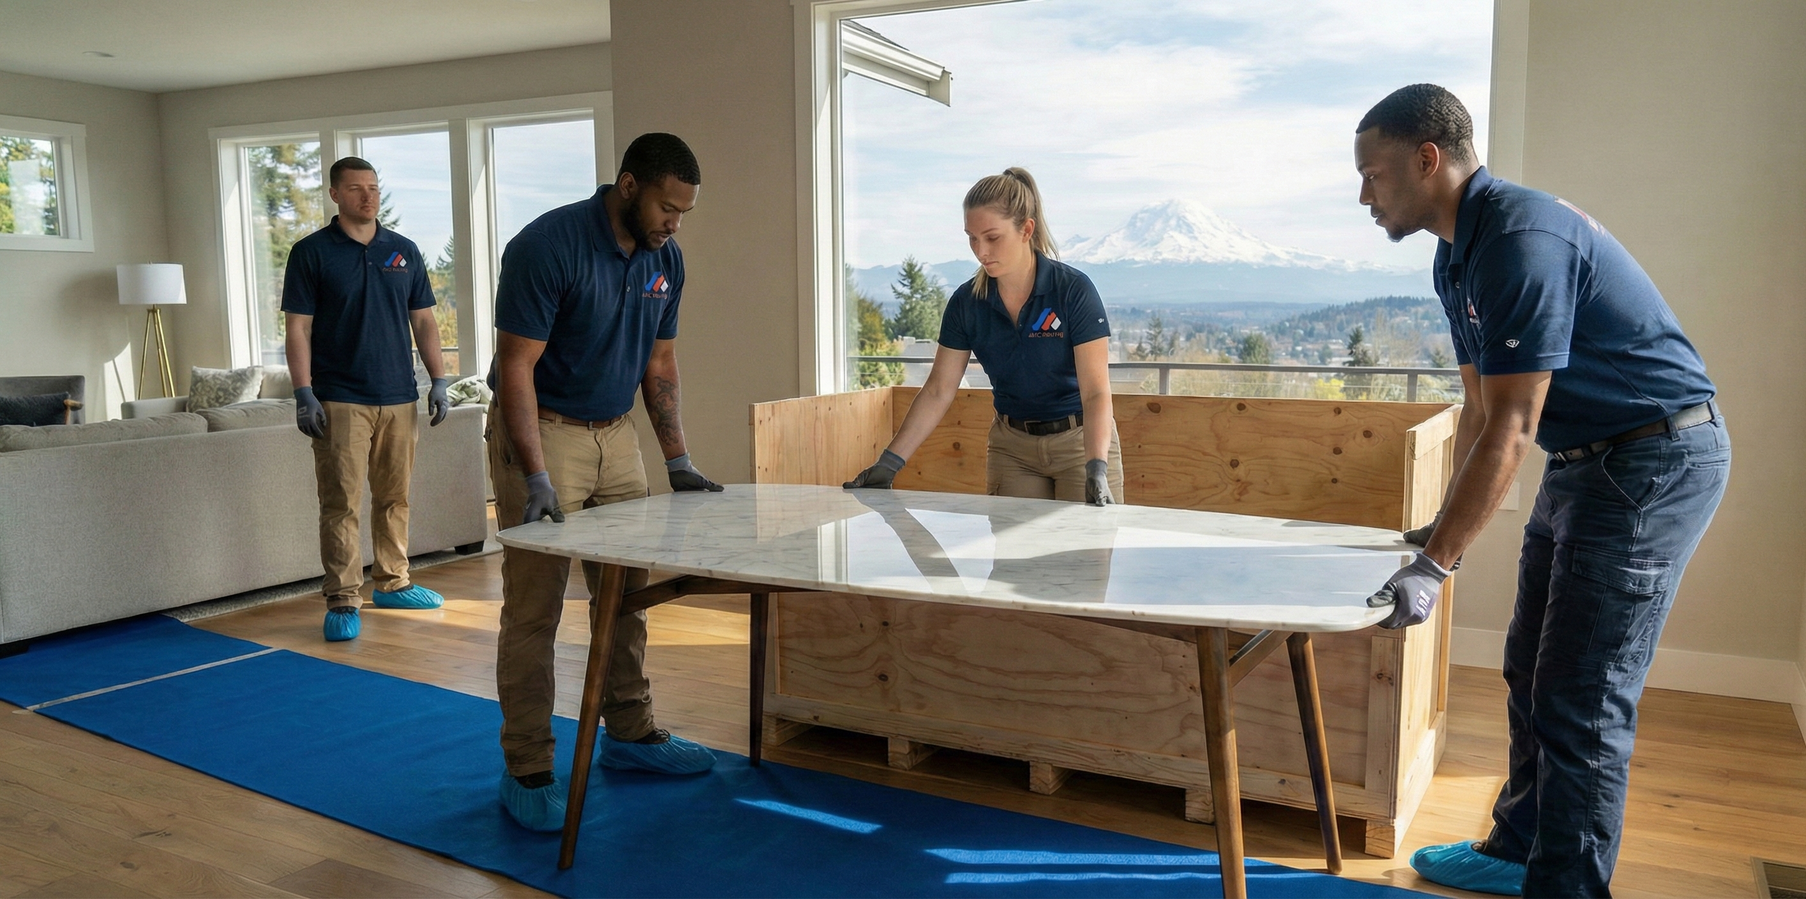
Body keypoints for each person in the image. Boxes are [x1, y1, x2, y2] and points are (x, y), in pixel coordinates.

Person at [1355, 84, 1729, 897]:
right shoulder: (1455, 253)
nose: (1364, 196)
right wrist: (1437, 531)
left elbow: (1513, 426)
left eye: (1374, 175)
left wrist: (1437, 566)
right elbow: (1481, 408)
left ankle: (1567, 887)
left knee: (1582, 696)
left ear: (1428, 160)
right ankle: (1516, 849)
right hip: (1584, 463)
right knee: (1528, 668)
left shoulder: (1519, 237)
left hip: (1655, 460)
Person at [486, 132, 725, 832]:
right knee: (535, 607)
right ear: (628, 186)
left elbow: (660, 362)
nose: (674, 222)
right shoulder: (547, 246)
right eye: (666, 206)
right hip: (545, 429)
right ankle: (527, 765)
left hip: (616, 434)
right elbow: (515, 369)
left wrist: (677, 458)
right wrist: (532, 471)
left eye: (683, 211)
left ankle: (630, 732)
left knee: (626, 595)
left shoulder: (665, 259)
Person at [846, 167, 1122, 505]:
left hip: (1082, 443)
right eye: (972, 238)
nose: (980, 250)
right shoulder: (967, 303)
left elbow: (1096, 393)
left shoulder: (1073, 291)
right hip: (1013, 449)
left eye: (992, 237)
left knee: (1085, 557)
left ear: (1026, 230)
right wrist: (888, 465)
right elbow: (938, 390)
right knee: (1013, 559)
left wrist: (1096, 468)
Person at [283, 156, 451, 644]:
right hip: (339, 398)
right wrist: (302, 390)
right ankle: (341, 597)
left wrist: (438, 379)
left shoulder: (403, 250)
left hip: (399, 394)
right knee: (340, 503)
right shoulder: (311, 252)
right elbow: (298, 326)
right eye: (356, 188)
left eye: (374, 187)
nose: (368, 196)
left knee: (395, 496)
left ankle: (394, 582)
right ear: (335, 194)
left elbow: (423, 320)